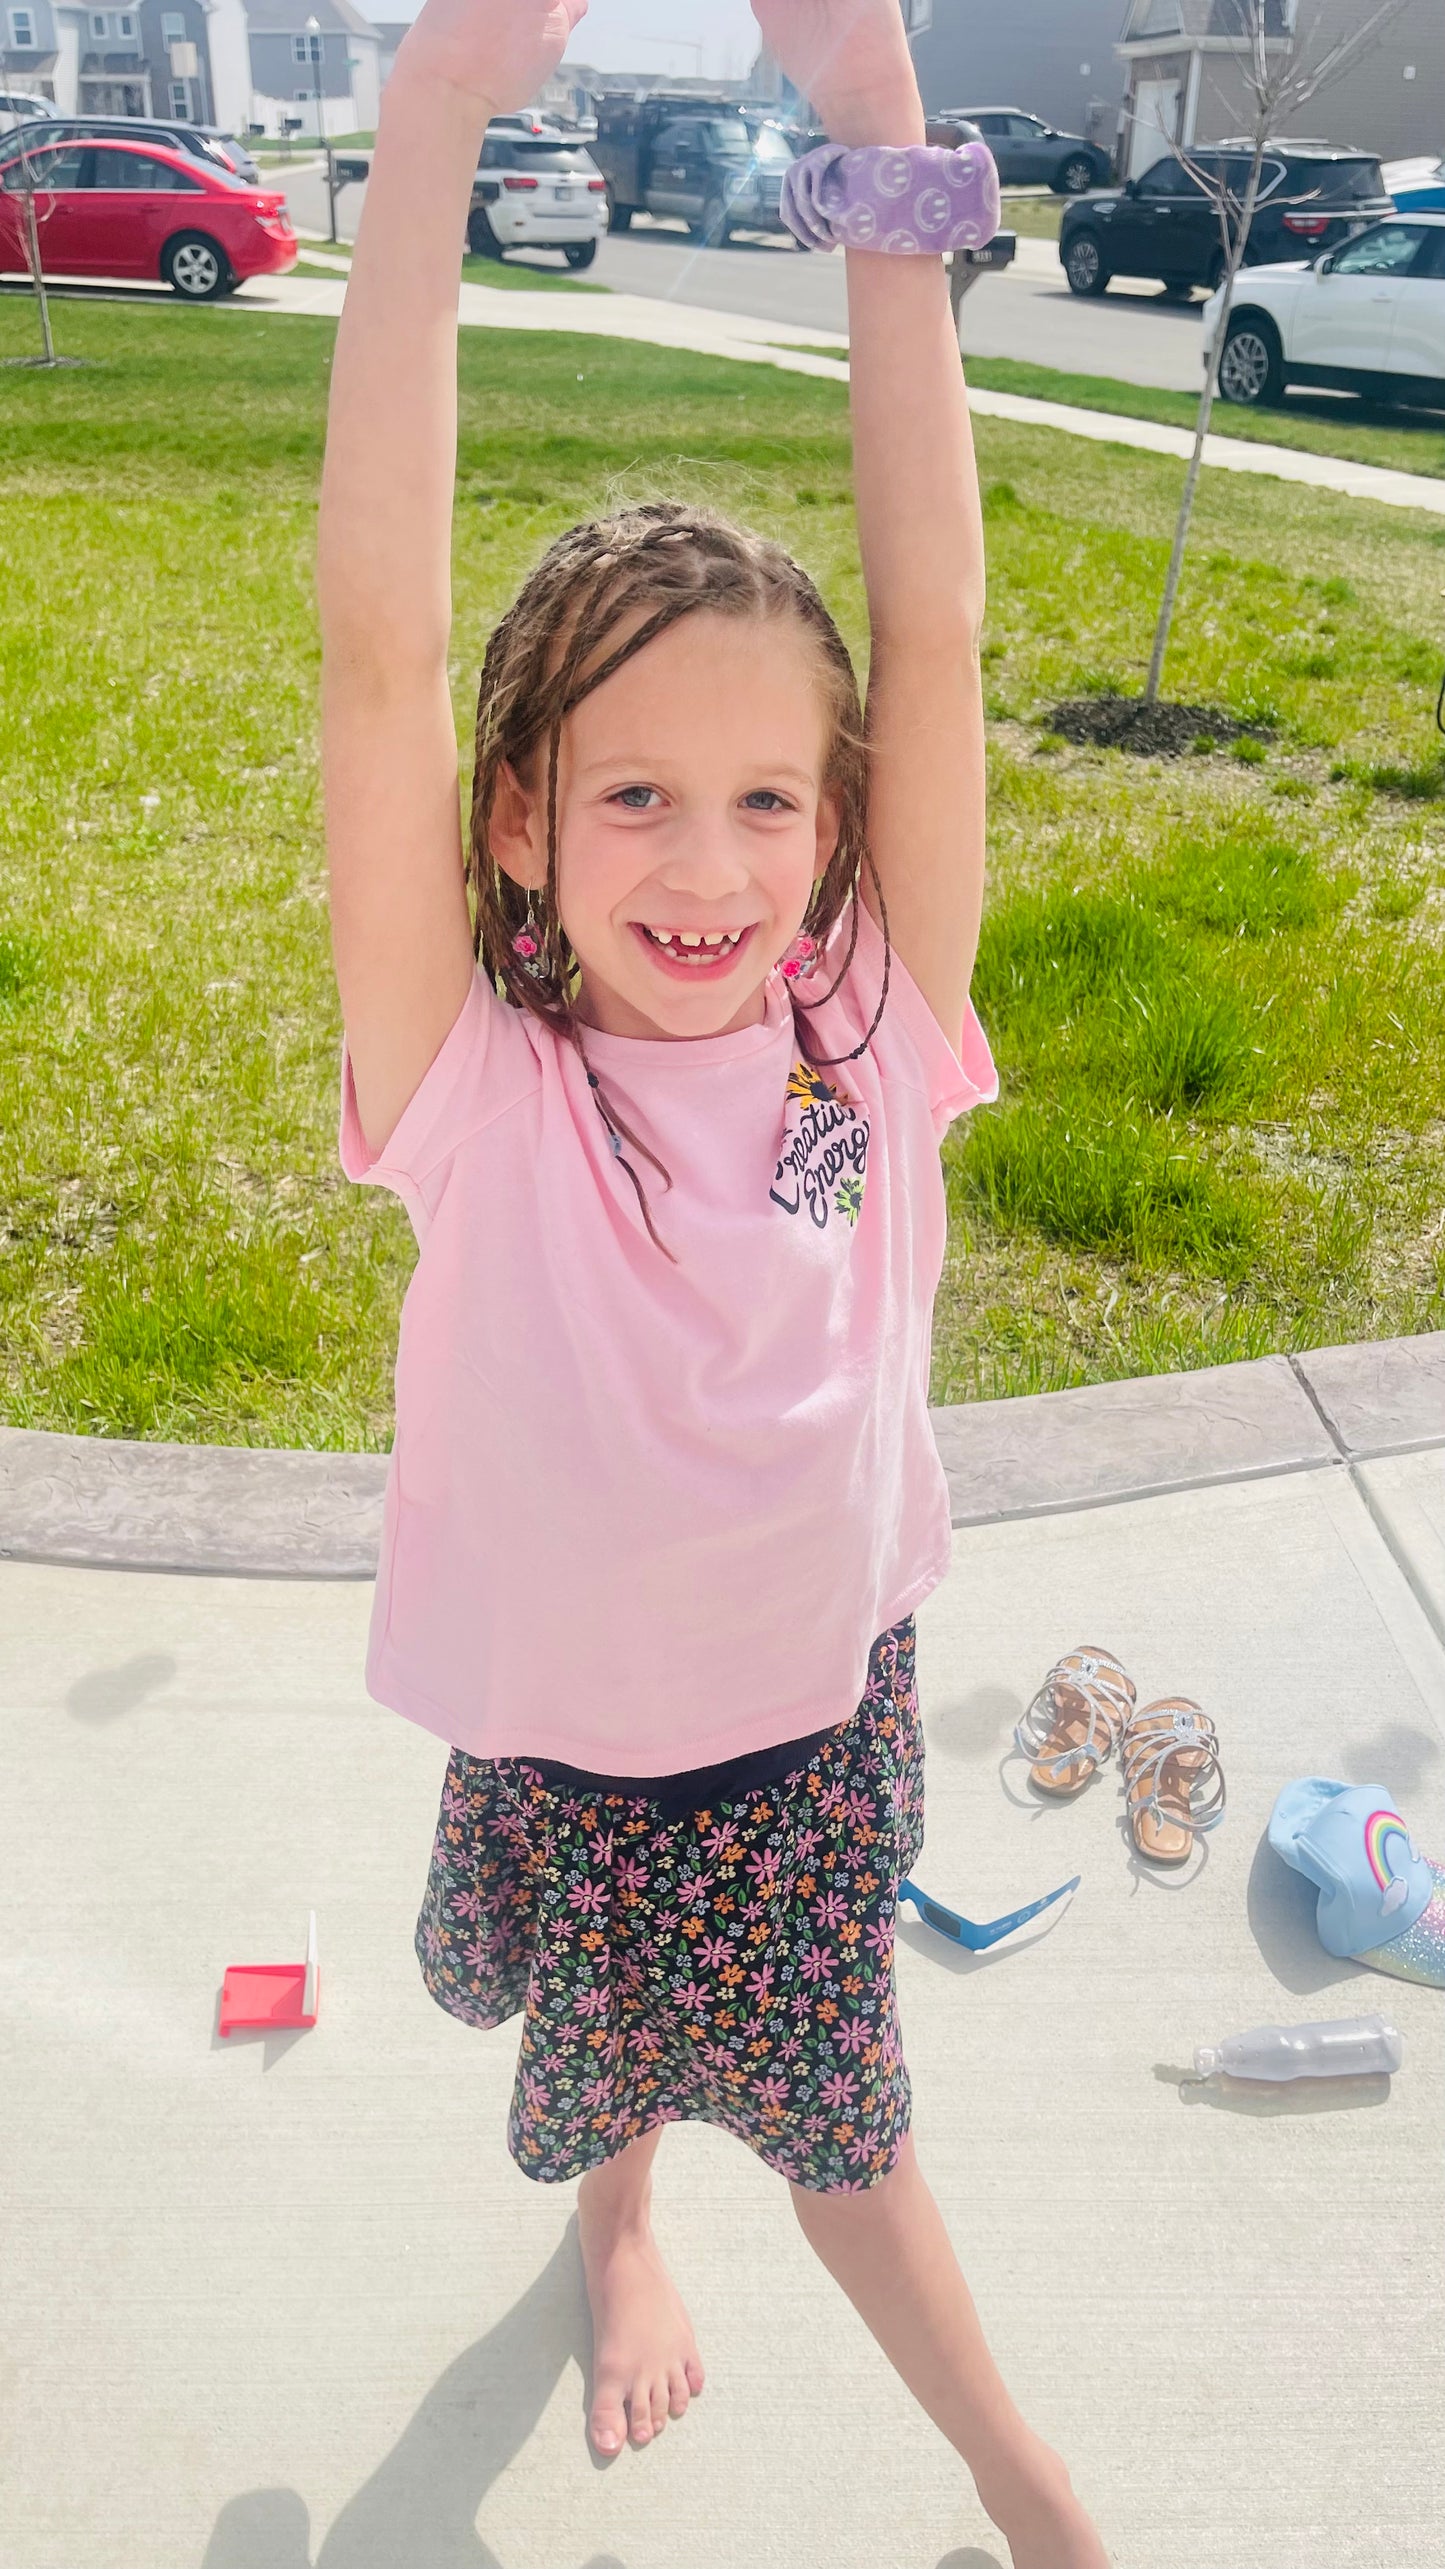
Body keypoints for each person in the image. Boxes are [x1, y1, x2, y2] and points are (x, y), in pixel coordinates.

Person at [317, 1, 1110, 2561]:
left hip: (809, 1707)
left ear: (843, 818)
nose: (711, 860)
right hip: (578, 1734)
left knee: (846, 2132)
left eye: (773, 795)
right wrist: (432, 114)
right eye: (635, 792)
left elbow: (943, 616)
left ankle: (1024, 2486)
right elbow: (372, 653)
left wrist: (885, 139)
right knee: (621, 2055)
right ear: (519, 825)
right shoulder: (478, 1082)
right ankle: (620, 2216)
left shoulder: (866, 1019)